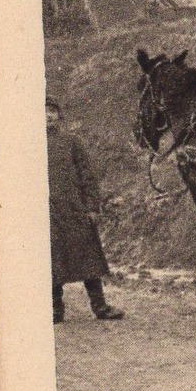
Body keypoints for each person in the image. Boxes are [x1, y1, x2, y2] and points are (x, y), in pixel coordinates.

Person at [46, 96, 123, 323]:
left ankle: (100, 307)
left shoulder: (72, 142)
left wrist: (91, 208)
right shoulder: (30, 145)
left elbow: (88, 177)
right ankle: (55, 311)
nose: (48, 115)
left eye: (52, 111)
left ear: (59, 116)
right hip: (47, 213)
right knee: (51, 260)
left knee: (89, 258)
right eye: (43, 111)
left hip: (76, 210)